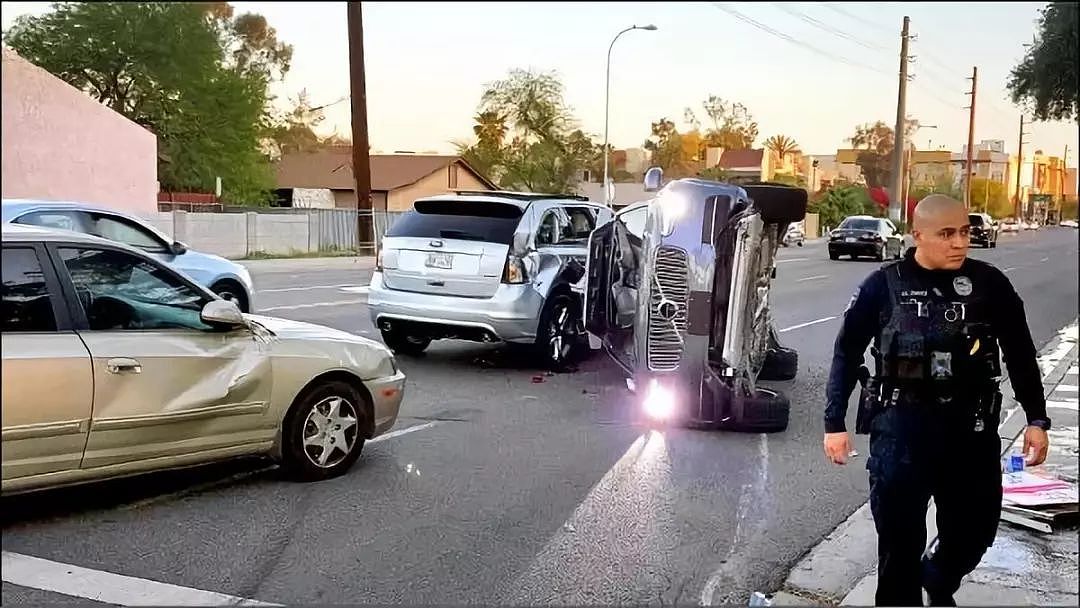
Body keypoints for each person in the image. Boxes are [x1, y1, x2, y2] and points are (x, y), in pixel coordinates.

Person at [822, 194, 1051, 606]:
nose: (959, 242)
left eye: (964, 232)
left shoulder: (989, 284)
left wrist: (1036, 417)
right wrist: (834, 423)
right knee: (898, 546)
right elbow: (846, 352)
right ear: (918, 235)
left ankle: (939, 575)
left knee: (975, 531)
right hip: (901, 432)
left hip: (971, 432)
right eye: (947, 234)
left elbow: (1019, 351)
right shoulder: (883, 285)